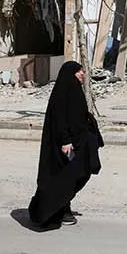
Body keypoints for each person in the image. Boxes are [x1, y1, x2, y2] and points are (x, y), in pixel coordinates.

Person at [27, 61, 104, 229]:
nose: (82, 74)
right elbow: (60, 119)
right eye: (79, 71)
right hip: (67, 145)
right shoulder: (62, 93)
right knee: (64, 178)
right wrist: (65, 141)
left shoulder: (75, 90)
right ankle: (56, 209)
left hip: (79, 141)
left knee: (83, 172)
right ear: (70, 74)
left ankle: (64, 205)